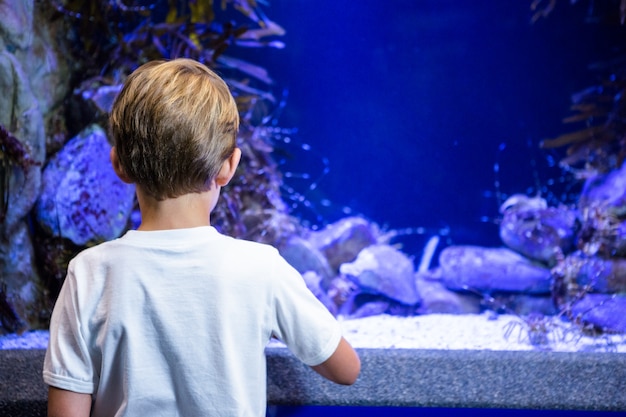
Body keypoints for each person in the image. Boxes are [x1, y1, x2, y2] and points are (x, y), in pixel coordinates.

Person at [43, 58, 360, 417]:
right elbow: (346, 369)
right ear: (229, 166)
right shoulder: (261, 268)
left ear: (118, 164)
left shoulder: (88, 273)